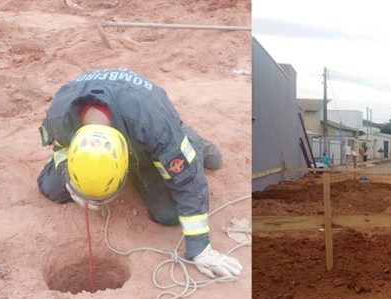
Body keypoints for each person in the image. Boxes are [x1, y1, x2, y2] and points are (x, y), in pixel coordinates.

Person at [37, 67, 242, 279]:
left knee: (169, 214)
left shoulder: (154, 126)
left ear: (126, 162)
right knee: (51, 187)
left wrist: (200, 247)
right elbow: (60, 148)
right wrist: (67, 178)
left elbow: (189, 183)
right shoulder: (60, 118)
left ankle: (190, 141)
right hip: (116, 112)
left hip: (143, 123)